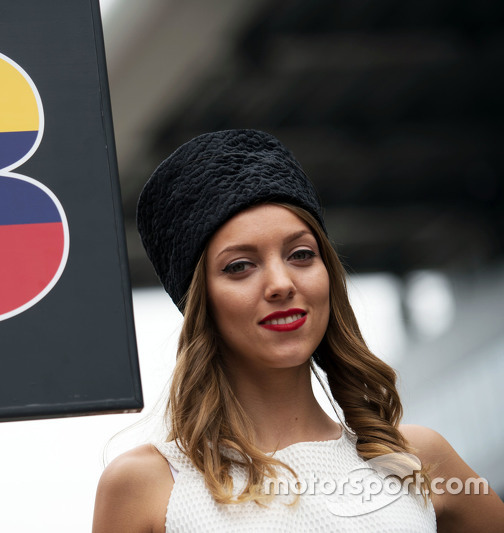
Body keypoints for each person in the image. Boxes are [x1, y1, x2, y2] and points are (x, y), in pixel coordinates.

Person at [92, 129, 504, 532]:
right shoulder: (147, 486)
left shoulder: (418, 460)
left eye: (301, 255)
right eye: (240, 266)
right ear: (200, 303)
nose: (281, 283)